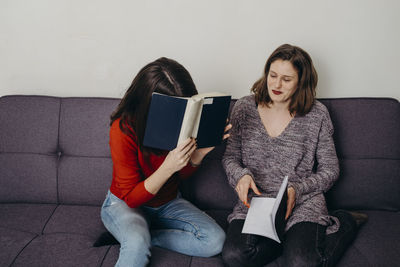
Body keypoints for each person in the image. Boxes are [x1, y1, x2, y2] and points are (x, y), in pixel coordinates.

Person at [221, 44, 367, 267]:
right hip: (256, 204)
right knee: (235, 256)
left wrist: (297, 190)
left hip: (302, 202)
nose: (277, 85)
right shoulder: (244, 108)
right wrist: (240, 175)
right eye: (273, 75)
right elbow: (230, 158)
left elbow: (330, 170)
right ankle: (287, 239)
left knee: (302, 263)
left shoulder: (317, 114)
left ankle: (345, 221)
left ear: (301, 82)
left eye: (287, 79)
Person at [100, 57, 227, 267]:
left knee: (215, 241)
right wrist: (168, 167)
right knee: (135, 244)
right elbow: (131, 198)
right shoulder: (123, 129)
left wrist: (199, 154)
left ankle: (147, 238)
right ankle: (137, 240)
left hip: (167, 202)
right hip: (124, 203)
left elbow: (182, 174)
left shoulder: (182, 123)